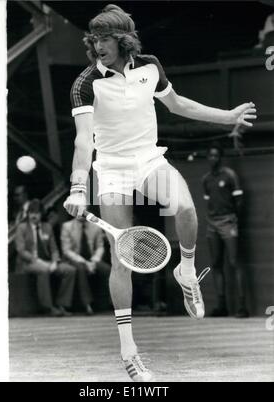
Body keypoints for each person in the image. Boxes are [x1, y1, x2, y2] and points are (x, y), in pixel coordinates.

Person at [63, 4, 257, 381]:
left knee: (184, 209)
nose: (98, 45)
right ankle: (129, 350)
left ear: (122, 40)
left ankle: (185, 271)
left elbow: (178, 104)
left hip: (149, 160)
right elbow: (84, 140)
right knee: (124, 259)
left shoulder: (150, 66)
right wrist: (78, 186)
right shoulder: (85, 84)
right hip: (113, 170)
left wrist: (228, 116)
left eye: (106, 39)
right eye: (95, 39)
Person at [202, 143, 249, 318]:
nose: (213, 158)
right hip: (212, 224)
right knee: (215, 264)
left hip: (229, 222)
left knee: (235, 261)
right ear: (208, 158)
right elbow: (209, 202)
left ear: (220, 158)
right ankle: (222, 306)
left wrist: (234, 220)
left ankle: (242, 307)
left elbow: (239, 201)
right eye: (210, 155)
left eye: (216, 155)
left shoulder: (229, 175)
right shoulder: (206, 179)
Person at [15, 199, 76, 317]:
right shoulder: (21, 228)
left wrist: (54, 262)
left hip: (47, 262)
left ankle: (61, 304)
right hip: (28, 263)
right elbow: (21, 250)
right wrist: (37, 261)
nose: (34, 215)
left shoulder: (47, 227)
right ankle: (48, 307)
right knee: (44, 270)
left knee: (70, 270)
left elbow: (53, 249)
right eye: (31, 212)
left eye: (37, 213)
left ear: (41, 214)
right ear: (28, 214)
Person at [61, 215, 111, 315]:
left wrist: (94, 260)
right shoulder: (67, 226)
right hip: (74, 259)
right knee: (81, 269)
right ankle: (87, 304)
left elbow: (100, 247)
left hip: (92, 259)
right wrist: (85, 262)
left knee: (106, 269)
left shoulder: (95, 226)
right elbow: (66, 250)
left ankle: (106, 303)